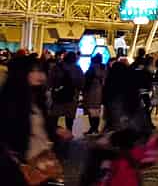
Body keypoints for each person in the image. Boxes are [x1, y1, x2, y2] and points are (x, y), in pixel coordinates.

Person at [0, 55, 71, 186]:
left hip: (39, 162)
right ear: (21, 73)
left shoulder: (35, 98)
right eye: (34, 71)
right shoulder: (10, 102)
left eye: (41, 71)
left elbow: (41, 125)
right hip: (20, 166)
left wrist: (56, 130)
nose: (41, 75)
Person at [50, 50, 85, 131]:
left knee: (55, 115)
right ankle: (68, 131)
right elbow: (81, 83)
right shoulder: (77, 68)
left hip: (58, 95)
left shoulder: (57, 67)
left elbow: (51, 80)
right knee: (69, 117)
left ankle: (53, 132)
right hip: (72, 96)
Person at [83, 53, 107, 135]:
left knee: (91, 110)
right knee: (97, 111)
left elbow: (86, 79)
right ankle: (95, 128)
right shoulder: (104, 68)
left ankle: (93, 128)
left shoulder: (92, 67)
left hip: (91, 91)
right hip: (100, 92)